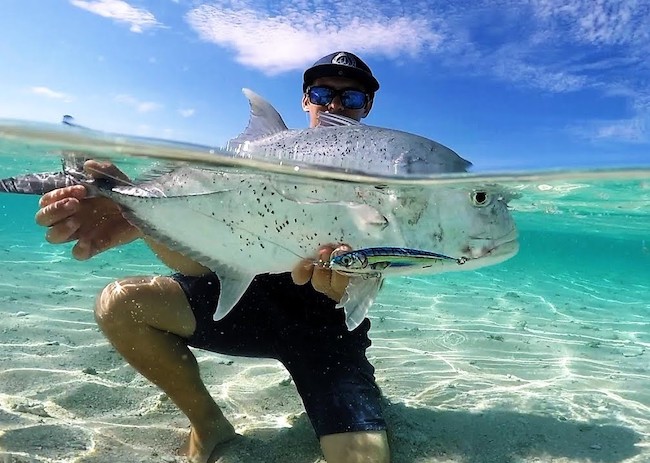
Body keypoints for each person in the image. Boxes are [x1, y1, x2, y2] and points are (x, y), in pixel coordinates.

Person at [35, 51, 390, 463]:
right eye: (323, 92)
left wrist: (351, 283)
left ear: (367, 107)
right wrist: (136, 213)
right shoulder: (246, 165)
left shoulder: (386, 185)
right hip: (244, 309)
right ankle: (208, 423)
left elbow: (377, 272)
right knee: (120, 304)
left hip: (326, 338)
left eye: (350, 99)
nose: (333, 106)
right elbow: (198, 268)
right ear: (305, 100)